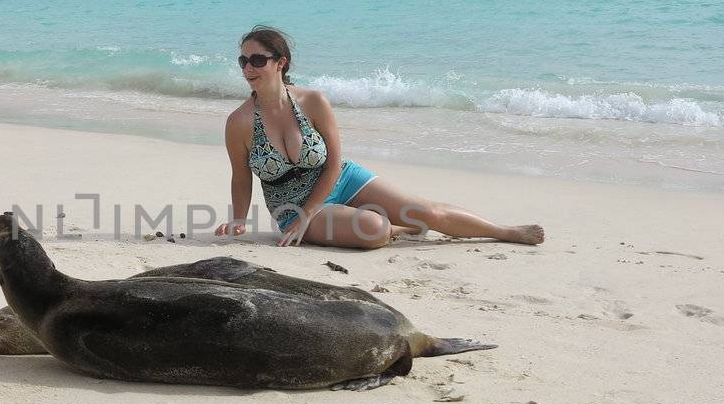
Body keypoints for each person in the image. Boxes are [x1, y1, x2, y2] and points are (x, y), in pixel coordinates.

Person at [213, 26, 546, 249]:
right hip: (292, 208)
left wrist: (312, 211)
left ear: (280, 63)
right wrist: (239, 221)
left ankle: (506, 232)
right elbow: (241, 178)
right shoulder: (239, 122)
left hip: (341, 180)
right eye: (244, 60)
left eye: (258, 59)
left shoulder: (313, 102)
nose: (248, 68)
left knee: (427, 212)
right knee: (372, 230)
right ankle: (396, 229)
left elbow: (332, 165)